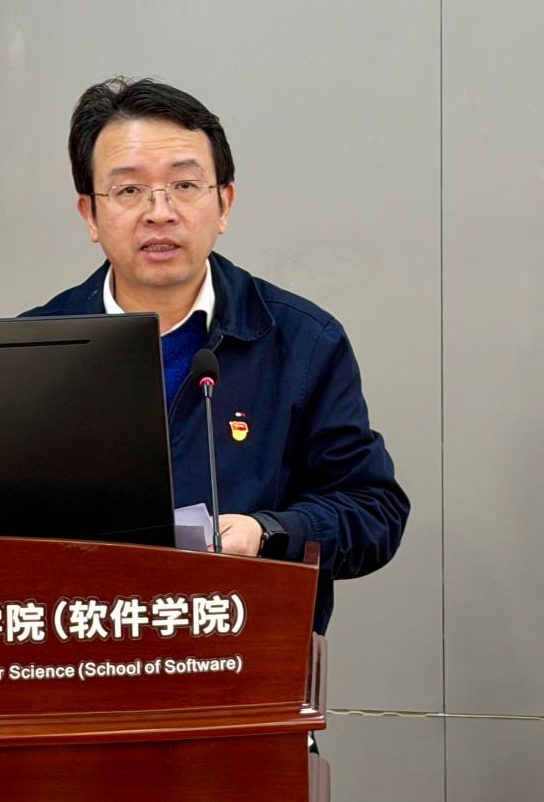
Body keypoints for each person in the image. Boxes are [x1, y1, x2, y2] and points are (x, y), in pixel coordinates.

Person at [21, 78, 408, 633]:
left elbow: (373, 510)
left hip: (240, 653)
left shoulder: (300, 342)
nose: (160, 212)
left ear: (224, 203)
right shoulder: (32, 351)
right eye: (129, 190)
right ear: (89, 215)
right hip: (78, 655)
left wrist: (267, 533)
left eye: (184, 185)